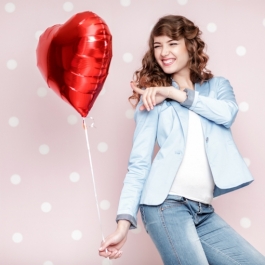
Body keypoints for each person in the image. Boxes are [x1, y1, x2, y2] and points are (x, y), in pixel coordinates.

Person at [98, 15, 265, 264]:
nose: (163, 52)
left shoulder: (217, 87)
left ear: (190, 45)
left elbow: (227, 114)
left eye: (172, 43)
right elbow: (139, 165)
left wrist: (175, 94)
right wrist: (124, 223)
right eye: (157, 45)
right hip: (165, 206)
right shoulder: (152, 99)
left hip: (203, 210)